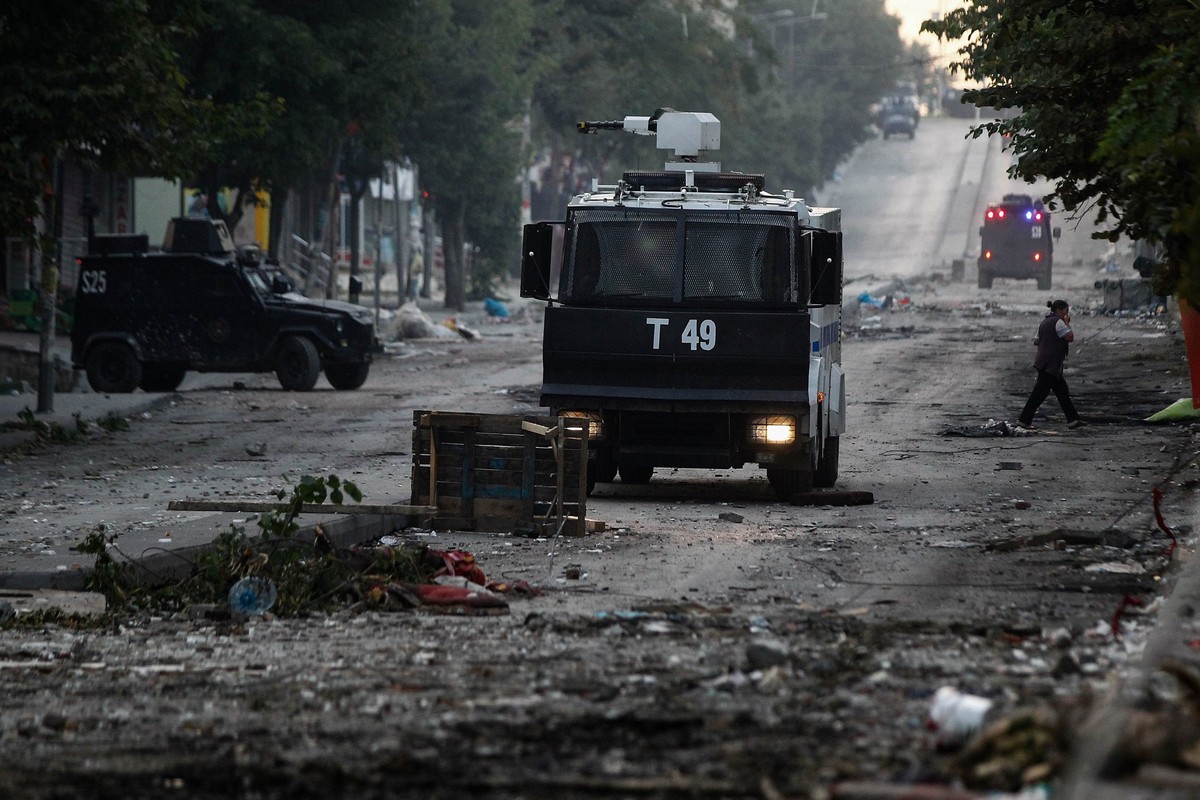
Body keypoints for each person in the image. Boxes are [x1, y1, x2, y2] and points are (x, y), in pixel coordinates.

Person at [1017, 299, 1082, 430]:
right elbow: (1070, 337)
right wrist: (1067, 323)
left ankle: (1073, 420)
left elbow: (1036, 341)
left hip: (1044, 362)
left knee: (1061, 391)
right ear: (1058, 310)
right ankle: (1023, 420)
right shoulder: (1059, 322)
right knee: (1039, 394)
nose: (1067, 314)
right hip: (1050, 365)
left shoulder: (1045, 322)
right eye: (1065, 311)